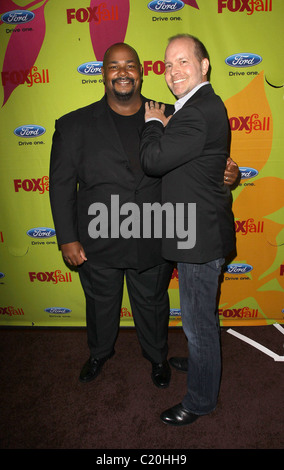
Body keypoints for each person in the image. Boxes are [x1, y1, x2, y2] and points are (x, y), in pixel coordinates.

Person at [49, 42, 238, 390]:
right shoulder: (74, 125)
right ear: (103, 74)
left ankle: (157, 357)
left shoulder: (171, 113)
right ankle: (99, 353)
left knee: (152, 304)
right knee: (100, 303)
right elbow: (60, 185)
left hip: (153, 235)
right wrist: (67, 238)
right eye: (114, 66)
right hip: (97, 238)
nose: (123, 72)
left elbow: (202, 156)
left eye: (130, 65)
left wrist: (227, 172)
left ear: (141, 71)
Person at [140, 34, 236, 425]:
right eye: (167, 65)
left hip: (200, 238)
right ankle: (202, 361)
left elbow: (153, 159)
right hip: (195, 231)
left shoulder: (198, 110)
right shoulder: (197, 107)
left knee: (198, 326)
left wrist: (153, 123)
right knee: (200, 319)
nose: (173, 71)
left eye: (183, 61)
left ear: (204, 65)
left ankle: (199, 401)